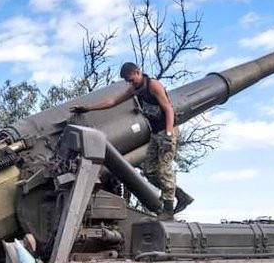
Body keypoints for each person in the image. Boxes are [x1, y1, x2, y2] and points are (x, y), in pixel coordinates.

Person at [70, 63, 191, 219]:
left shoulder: (153, 85)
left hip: (167, 132)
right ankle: (181, 195)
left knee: (164, 169)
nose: (130, 83)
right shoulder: (135, 89)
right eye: (128, 81)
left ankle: (168, 210)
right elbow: (112, 102)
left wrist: (168, 133)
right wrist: (88, 108)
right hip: (156, 133)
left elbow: (168, 108)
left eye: (131, 79)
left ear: (138, 72)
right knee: (149, 171)